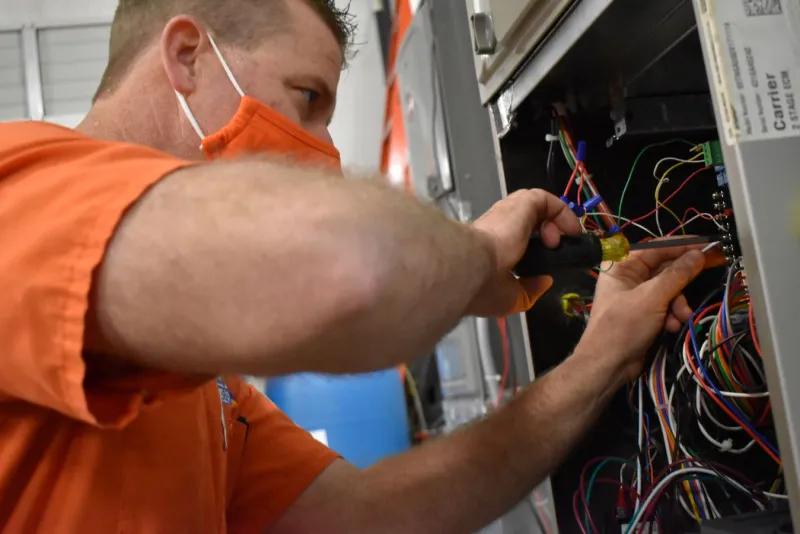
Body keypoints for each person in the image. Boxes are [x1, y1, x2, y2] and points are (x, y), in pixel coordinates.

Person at [0, 0, 711, 532]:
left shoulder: (202, 388)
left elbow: (363, 515)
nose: (326, 153)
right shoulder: (20, 193)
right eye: (306, 98)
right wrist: (481, 253)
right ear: (187, 55)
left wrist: (600, 361)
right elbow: (346, 269)